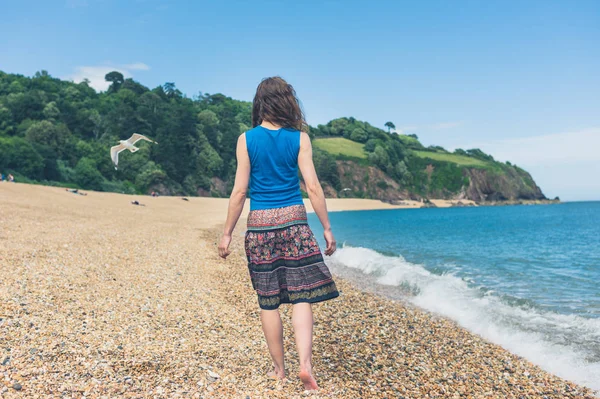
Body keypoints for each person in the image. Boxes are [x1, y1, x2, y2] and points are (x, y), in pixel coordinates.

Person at [218, 76, 339, 391]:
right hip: (295, 224)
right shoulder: (300, 139)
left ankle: (278, 369)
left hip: (260, 226)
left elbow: (239, 190)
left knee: (268, 300)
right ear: (288, 102)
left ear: (260, 104)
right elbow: (312, 187)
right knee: (302, 296)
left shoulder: (246, 139)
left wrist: (227, 233)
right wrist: (326, 227)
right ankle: (305, 365)